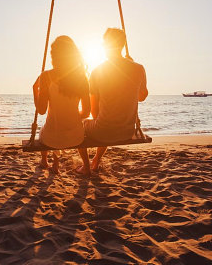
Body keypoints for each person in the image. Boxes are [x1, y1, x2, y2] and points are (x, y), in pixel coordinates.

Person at [77, 28, 148, 176]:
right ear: (122, 44)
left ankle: (86, 166)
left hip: (104, 131)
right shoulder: (139, 68)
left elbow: (93, 113)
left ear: (105, 46)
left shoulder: (97, 71)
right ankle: (96, 160)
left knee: (80, 125)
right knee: (107, 121)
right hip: (127, 132)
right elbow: (141, 97)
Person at [33, 36, 90, 173]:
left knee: (48, 128)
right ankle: (85, 165)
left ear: (54, 55)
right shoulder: (82, 78)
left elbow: (41, 110)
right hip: (75, 137)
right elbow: (87, 113)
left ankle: (46, 161)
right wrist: (73, 116)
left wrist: (35, 90)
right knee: (69, 126)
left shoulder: (46, 76)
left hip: (51, 138)